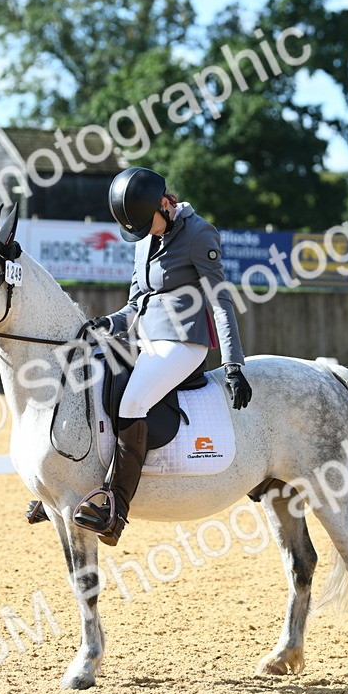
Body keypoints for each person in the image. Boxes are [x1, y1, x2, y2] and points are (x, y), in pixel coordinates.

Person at [72, 166, 252, 545]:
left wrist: (233, 364)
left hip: (184, 342)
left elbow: (220, 301)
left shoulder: (199, 234)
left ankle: (116, 510)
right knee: (94, 376)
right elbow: (135, 304)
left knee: (133, 402)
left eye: (148, 224)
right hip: (146, 340)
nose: (146, 234)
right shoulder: (144, 241)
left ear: (165, 205)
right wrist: (108, 323)